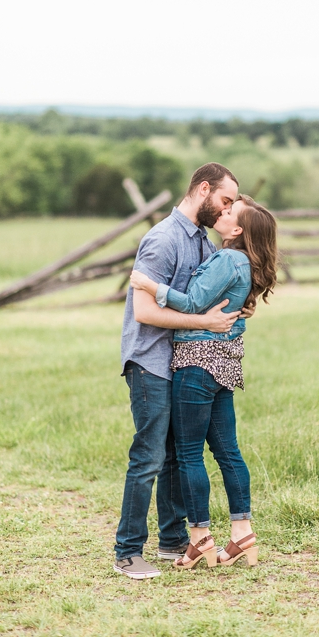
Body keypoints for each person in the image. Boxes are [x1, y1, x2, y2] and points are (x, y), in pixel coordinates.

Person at [129, 195, 278, 569]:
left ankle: (199, 539)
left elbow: (194, 303)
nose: (223, 211)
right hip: (223, 364)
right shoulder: (240, 260)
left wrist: (150, 285)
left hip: (196, 363)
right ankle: (242, 534)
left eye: (230, 211)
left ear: (238, 229)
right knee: (228, 451)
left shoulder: (228, 257)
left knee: (189, 454)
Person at [114, 162, 244, 580]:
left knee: (174, 454)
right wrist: (205, 323)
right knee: (149, 456)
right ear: (203, 189)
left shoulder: (206, 244)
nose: (227, 209)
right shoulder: (163, 239)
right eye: (224, 200)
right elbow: (146, 309)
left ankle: (172, 540)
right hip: (149, 360)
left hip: (182, 362)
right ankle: (127, 551)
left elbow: (204, 298)